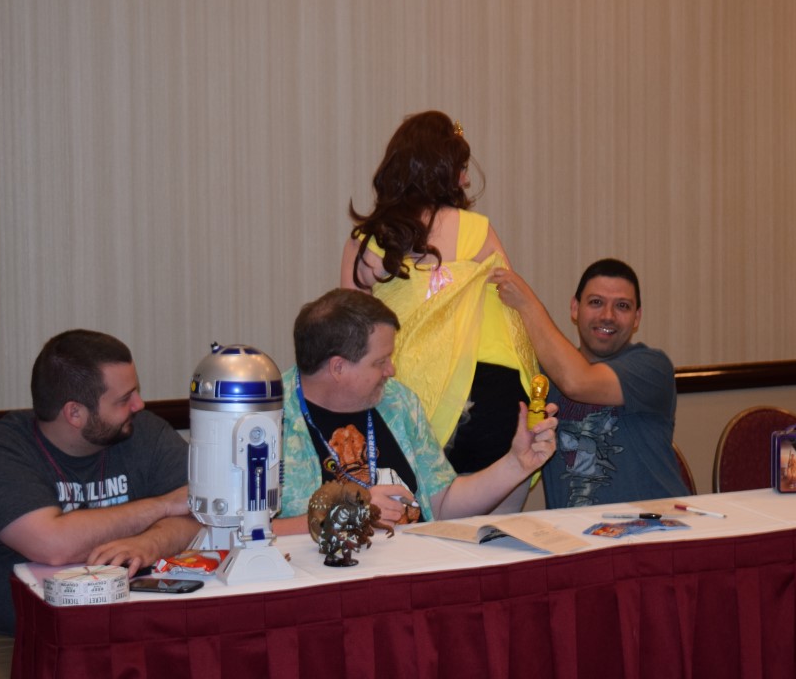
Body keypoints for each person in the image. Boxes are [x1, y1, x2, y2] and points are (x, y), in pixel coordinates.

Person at [0, 330, 198, 679]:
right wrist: (160, 506)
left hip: (120, 628)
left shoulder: (144, 432)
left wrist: (151, 542)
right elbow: (53, 545)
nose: (139, 405)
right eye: (124, 399)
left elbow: (197, 511)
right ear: (75, 413)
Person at [341, 111, 538, 512]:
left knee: (417, 536)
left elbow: (349, 340)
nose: (466, 181)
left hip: (414, 404)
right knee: (501, 536)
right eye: (461, 169)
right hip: (498, 397)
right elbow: (513, 309)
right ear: (439, 170)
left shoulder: (367, 243)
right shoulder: (479, 230)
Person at [271, 289, 557, 535]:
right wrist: (343, 514)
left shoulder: (398, 401)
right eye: (380, 361)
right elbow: (249, 534)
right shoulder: (267, 422)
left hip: (415, 568)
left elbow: (442, 505)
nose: (391, 370)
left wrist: (517, 463)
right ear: (338, 367)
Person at [488, 259, 690, 508]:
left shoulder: (653, 367)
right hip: (574, 530)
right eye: (596, 302)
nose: (607, 316)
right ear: (575, 308)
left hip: (656, 525)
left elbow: (577, 382)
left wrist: (527, 304)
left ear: (637, 317)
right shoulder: (541, 377)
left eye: (622, 306)